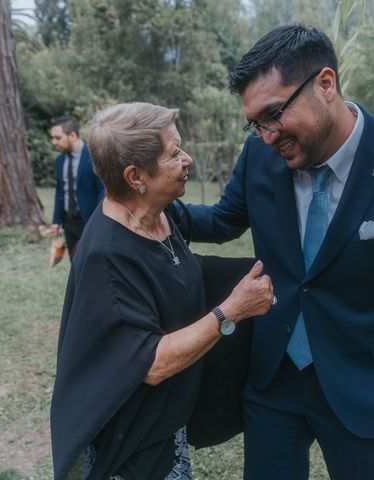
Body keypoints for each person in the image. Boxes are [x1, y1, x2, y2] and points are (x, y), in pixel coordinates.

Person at [175, 24, 374, 479]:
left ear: (326, 84)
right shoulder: (260, 156)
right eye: (255, 123)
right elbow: (225, 219)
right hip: (274, 379)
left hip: (370, 386)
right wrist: (153, 209)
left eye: (274, 114)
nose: (265, 135)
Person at [50, 102, 274, 480]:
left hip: (168, 420)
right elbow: (152, 364)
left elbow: (203, 243)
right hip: (133, 437)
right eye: (174, 153)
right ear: (136, 176)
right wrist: (231, 310)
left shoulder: (160, 214)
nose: (186, 159)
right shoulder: (109, 256)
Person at [50, 116, 104, 258]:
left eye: (57, 137)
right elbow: (60, 190)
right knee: (74, 263)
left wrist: (97, 219)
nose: (54, 142)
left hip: (89, 221)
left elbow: (102, 189)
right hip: (69, 223)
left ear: (72, 135)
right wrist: (56, 221)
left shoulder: (94, 156)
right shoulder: (60, 160)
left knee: (92, 263)